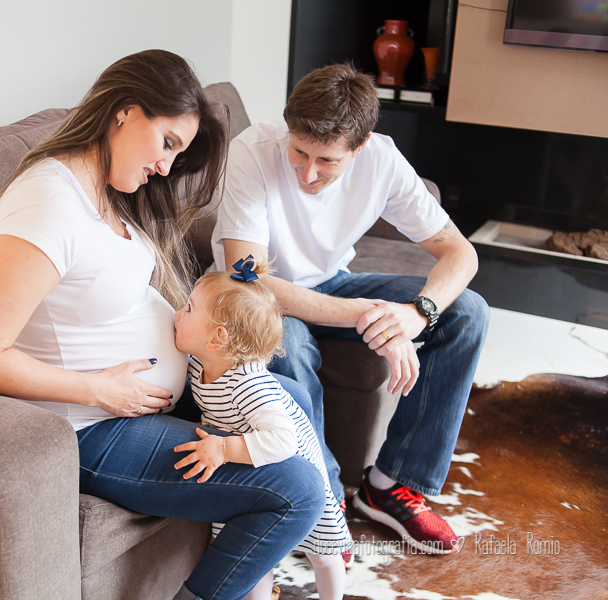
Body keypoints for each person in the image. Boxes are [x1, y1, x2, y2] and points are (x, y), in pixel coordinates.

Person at [0, 49, 326, 600]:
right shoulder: (48, 205)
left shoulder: (107, 188)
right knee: (295, 489)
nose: (167, 167)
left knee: (285, 392)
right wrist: (98, 389)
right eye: (168, 143)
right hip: (90, 427)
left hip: (148, 399)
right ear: (125, 112)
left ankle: (299, 557)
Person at [210, 62, 490, 555]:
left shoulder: (381, 160)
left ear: (359, 147)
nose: (308, 172)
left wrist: (416, 313)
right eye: (299, 151)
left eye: (327, 161)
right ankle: (322, 495)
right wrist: (370, 313)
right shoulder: (251, 150)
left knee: (467, 312)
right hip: (260, 301)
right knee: (288, 344)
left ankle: (391, 484)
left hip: (332, 283)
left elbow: (461, 253)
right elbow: (247, 275)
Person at [172, 260, 350, 600]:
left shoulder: (249, 387)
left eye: (189, 309)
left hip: (291, 461)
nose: (178, 313)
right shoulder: (200, 363)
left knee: (323, 554)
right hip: (249, 464)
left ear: (217, 338)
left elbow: (283, 440)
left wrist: (223, 449)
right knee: (256, 551)